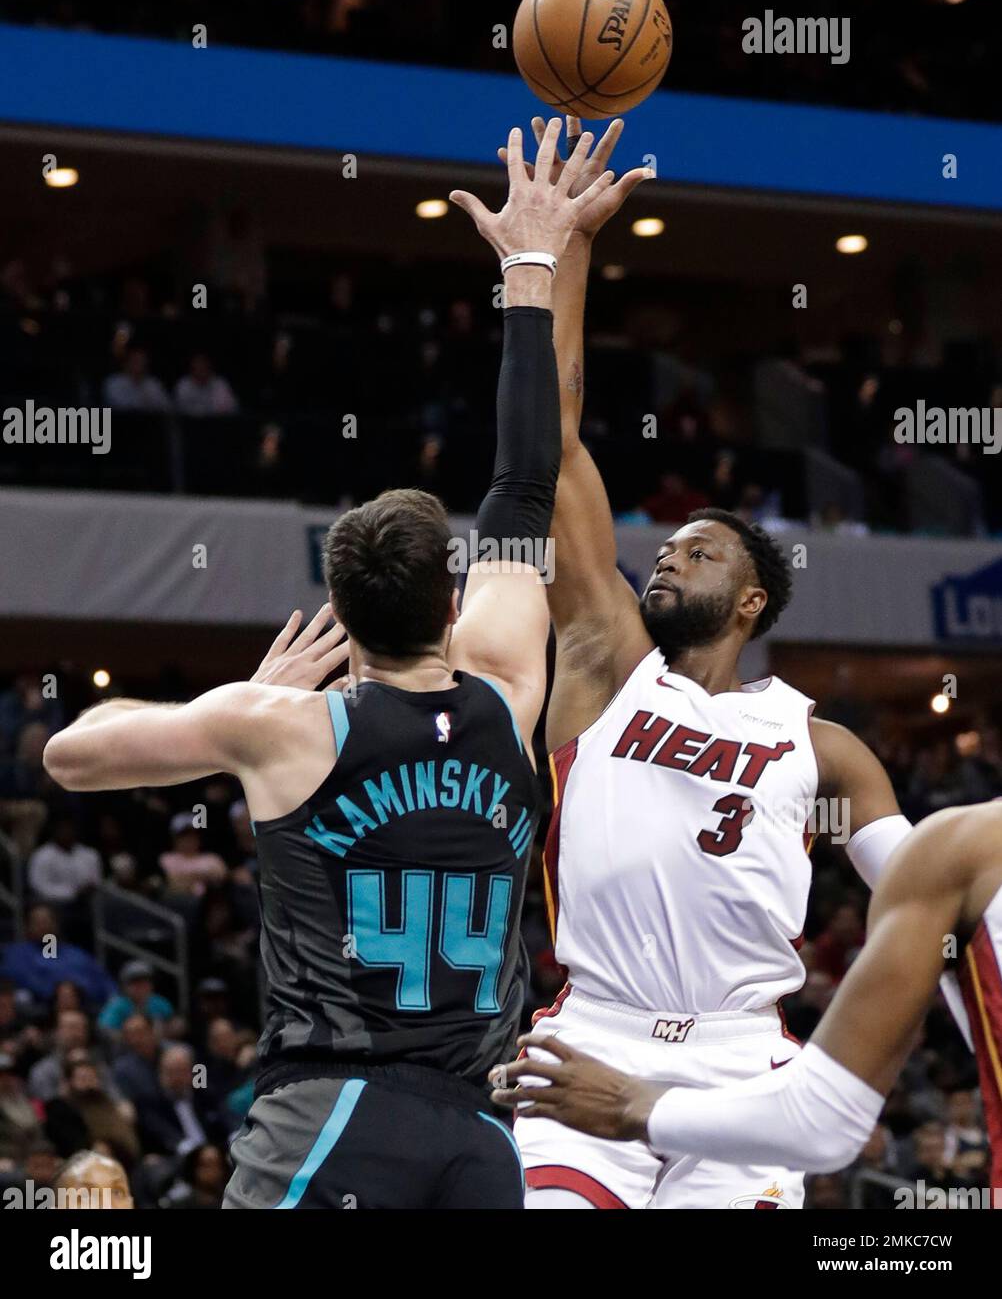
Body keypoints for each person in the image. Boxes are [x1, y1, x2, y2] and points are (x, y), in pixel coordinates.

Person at [42, 120, 617, 1209]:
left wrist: (259, 694)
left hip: (337, 1115)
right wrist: (531, 267)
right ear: (453, 603)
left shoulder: (288, 726)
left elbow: (73, 755)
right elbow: (525, 475)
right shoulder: (507, 686)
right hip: (482, 1135)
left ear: (341, 623)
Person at [487, 115, 939, 1210]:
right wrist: (557, 250)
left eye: (701, 549)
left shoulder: (823, 746)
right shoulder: (603, 663)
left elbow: (932, 896)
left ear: (748, 599)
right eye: (669, 541)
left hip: (744, 1063)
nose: (670, 551)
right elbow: (552, 434)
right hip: (590, 1029)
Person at [491, 802, 1002, 1196]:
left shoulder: (961, 851)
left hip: (724, 1047)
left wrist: (632, 1103)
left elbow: (825, 1120)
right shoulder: (959, 854)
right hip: (617, 1025)